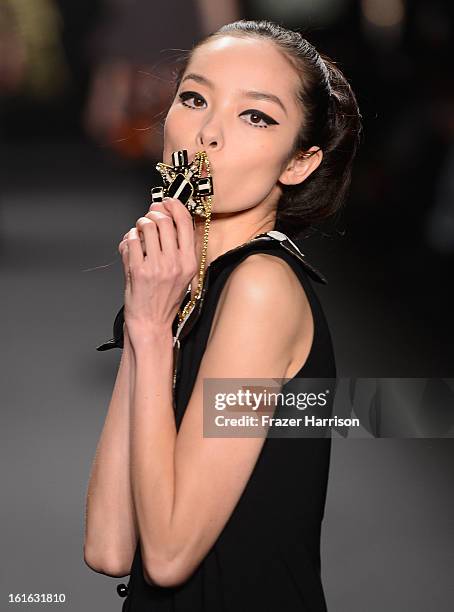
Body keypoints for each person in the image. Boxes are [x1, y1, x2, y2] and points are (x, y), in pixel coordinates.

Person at [84, 19, 362, 611]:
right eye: (194, 98)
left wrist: (153, 332)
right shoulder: (181, 291)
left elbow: (167, 555)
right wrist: (145, 321)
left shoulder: (262, 288)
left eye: (254, 116)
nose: (208, 132)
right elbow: (109, 547)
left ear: (299, 163)